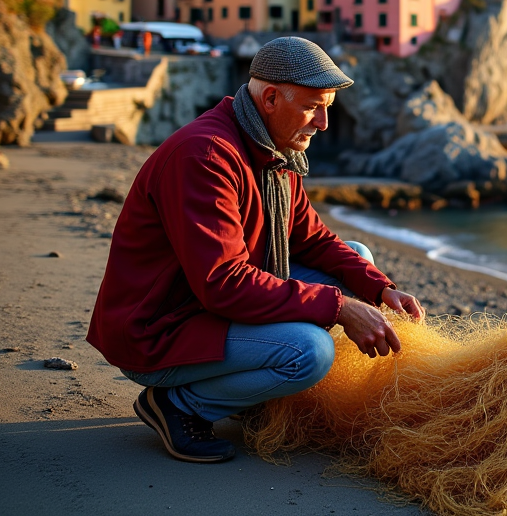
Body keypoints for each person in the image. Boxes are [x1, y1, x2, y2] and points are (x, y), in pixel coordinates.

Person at [86, 37, 424, 463]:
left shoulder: (271, 149)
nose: (322, 123)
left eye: (328, 108)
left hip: (206, 305)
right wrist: (339, 308)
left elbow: (314, 239)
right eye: (312, 107)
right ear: (269, 98)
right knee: (309, 352)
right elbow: (223, 284)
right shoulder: (206, 156)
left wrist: (380, 290)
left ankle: (248, 392)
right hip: (161, 329)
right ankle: (178, 405)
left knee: (357, 255)